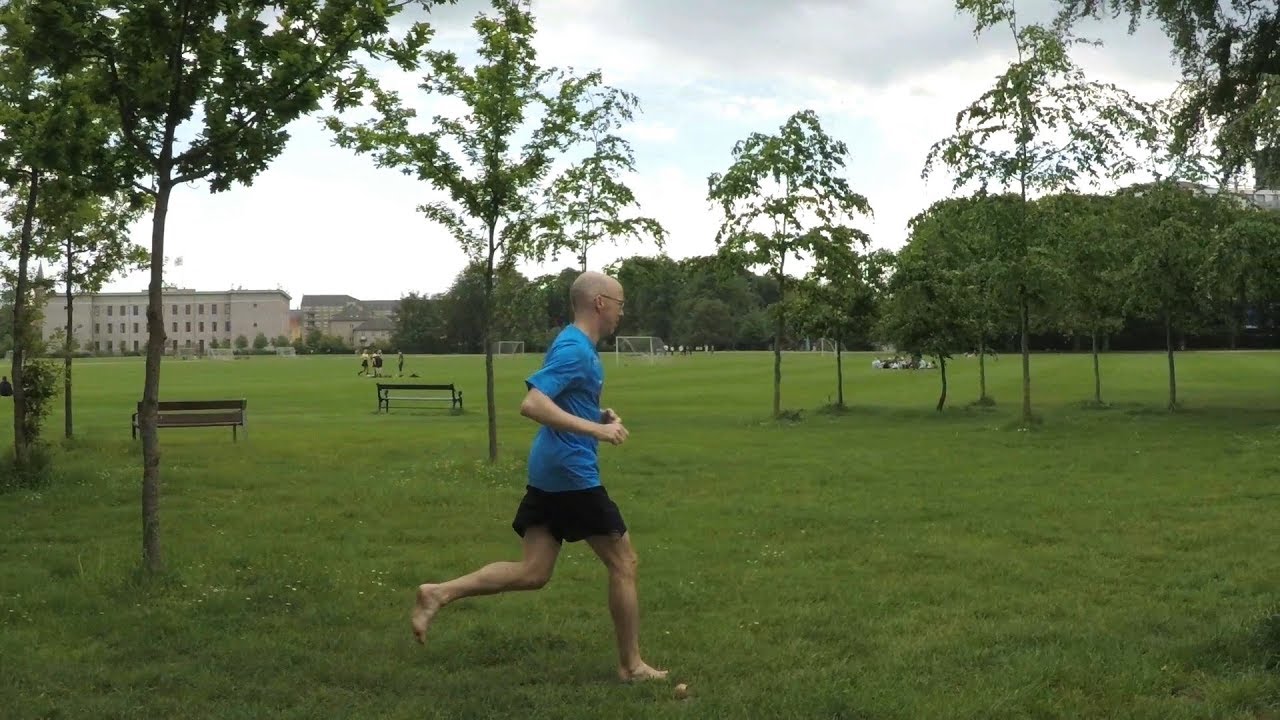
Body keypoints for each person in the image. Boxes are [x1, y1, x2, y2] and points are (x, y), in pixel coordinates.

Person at [411, 271, 667, 683]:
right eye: (619, 303)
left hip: (550, 469)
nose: (622, 312)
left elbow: (558, 400)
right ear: (600, 302)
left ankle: (438, 592)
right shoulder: (575, 349)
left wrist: (594, 415)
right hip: (571, 472)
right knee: (624, 562)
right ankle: (631, 666)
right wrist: (597, 430)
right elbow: (532, 404)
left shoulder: (574, 344)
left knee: (533, 571)